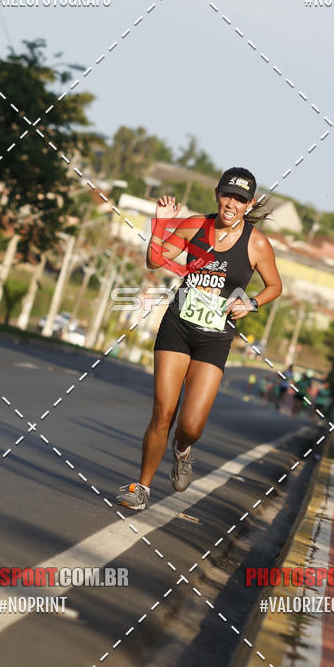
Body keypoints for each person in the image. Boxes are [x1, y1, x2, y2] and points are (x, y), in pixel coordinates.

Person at [116, 167, 282, 511]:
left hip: (215, 337)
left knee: (190, 425)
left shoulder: (257, 243)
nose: (231, 204)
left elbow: (275, 286)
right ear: (217, 194)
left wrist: (250, 303)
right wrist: (159, 223)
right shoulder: (195, 225)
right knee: (163, 412)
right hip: (178, 324)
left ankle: (183, 449)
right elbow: (154, 259)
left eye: (239, 199)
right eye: (227, 195)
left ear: (248, 205)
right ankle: (141, 488)